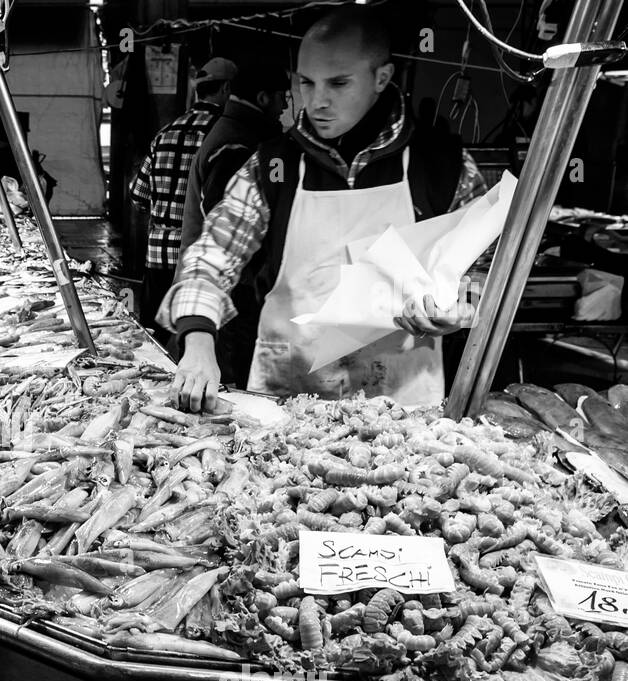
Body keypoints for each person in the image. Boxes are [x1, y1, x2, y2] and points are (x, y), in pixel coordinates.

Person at [160, 5, 488, 411]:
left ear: (381, 78)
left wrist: (459, 307)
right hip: (287, 407)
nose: (318, 102)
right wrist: (198, 341)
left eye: (338, 84)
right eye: (307, 83)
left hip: (405, 421)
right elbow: (209, 259)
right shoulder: (271, 168)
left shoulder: (444, 167)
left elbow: (485, 272)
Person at [178, 61, 291, 387]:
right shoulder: (237, 143)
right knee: (228, 387)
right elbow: (223, 230)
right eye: (284, 96)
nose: (287, 105)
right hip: (231, 300)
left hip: (234, 298)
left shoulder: (238, 133)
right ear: (263, 97)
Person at [129, 56, 237, 331]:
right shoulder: (223, 136)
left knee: (155, 341)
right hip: (198, 257)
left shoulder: (164, 134)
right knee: (197, 336)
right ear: (226, 90)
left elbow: (138, 195)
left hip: (158, 252)